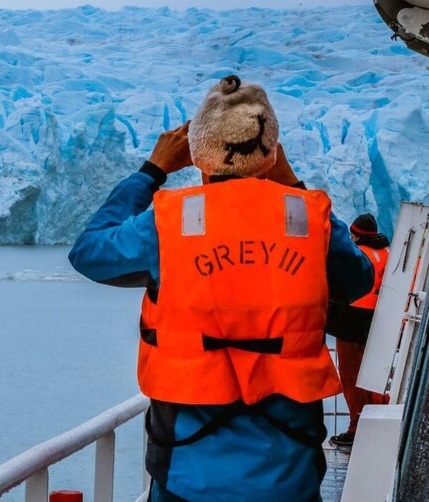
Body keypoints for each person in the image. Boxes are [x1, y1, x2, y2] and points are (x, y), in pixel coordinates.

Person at [68, 75, 374, 501]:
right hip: (290, 474)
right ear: (271, 153)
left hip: (187, 474)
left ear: (199, 155)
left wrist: (151, 172)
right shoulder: (305, 218)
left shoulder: (168, 222)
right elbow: (358, 279)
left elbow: (88, 252)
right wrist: (292, 185)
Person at [325, 213, 390, 446]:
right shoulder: (387, 253)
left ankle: (357, 426)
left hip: (351, 323)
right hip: (378, 323)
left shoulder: (359, 256)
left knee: (353, 377)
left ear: (356, 234)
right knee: (376, 376)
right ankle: (380, 420)